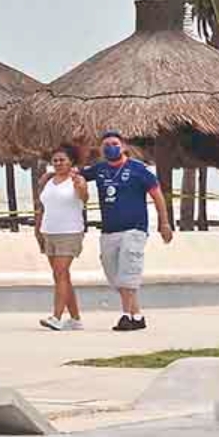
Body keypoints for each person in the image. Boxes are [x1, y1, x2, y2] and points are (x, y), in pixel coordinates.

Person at [78, 131, 173, 332]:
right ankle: (138, 316)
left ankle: (125, 315)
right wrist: (50, 177)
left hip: (134, 229)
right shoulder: (100, 169)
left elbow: (157, 196)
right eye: (106, 145)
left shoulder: (139, 169)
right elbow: (76, 176)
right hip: (109, 230)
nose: (110, 147)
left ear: (123, 147)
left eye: (114, 143)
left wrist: (164, 223)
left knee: (129, 271)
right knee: (115, 274)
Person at [34, 145, 89, 331]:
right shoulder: (48, 180)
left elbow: (84, 197)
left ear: (71, 162)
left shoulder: (77, 180)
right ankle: (75, 319)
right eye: (55, 160)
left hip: (70, 232)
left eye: (62, 160)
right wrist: (38, 230)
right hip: (49, 231)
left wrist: (80, 185)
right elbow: (42, 207)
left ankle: (56, 317)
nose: (58, 163)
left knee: (60, 273)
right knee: (62, 276)